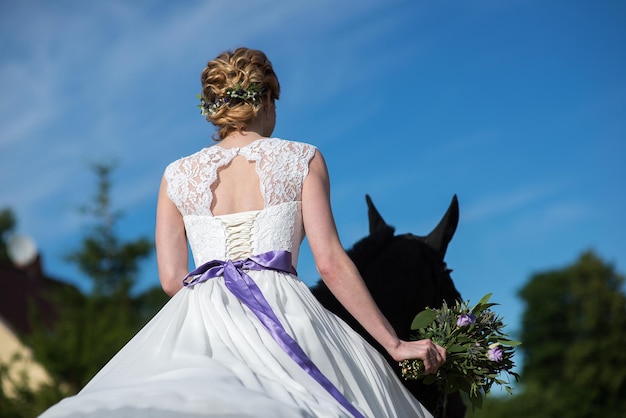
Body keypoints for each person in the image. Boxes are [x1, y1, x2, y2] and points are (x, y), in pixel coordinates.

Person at [40, 47, 446, 418]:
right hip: (288, 313)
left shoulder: (176, 175)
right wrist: (394, 344)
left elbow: (170, 279)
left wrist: (218, 306)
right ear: (266, 99)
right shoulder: (302, 158)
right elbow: (330, 262)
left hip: (199, 316)